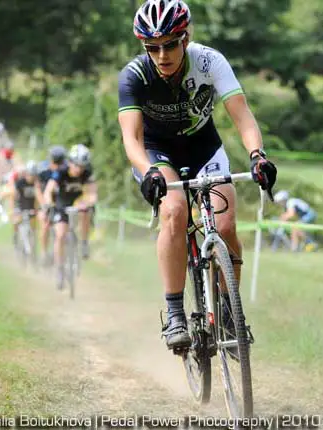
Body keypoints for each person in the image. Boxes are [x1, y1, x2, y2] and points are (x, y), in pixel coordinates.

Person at [117, 0, 277, 350]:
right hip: (157, 152)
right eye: (153, 48)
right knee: (173, 211)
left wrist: (257, 156)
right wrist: (148, 172)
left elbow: (241, 114)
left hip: (203, 147)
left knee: (225, 225)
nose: (162, 55)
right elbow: (131, 138)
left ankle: (227, 310)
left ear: (185, 39)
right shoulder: (134, 76)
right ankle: (175, 314)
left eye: (170, 44)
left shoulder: (210, 61)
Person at [42, 145, 98, 289]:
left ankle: (84, 242)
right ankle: (59, 269)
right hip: (62, 203)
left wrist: (88, 202)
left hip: (79, 202)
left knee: (86, 211)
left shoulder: (87, 172)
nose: (78, 169)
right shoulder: (60, 171)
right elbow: (48, 191)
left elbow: (92, 194)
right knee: (60, 235)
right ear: (70, 162)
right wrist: (49, 205)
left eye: (82, 166)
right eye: (76, 165)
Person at [9, 160, 40, 249]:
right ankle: (15, 235)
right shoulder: (20, 182)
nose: (31, 177)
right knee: (16, 221)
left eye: (33, 175)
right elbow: (14, 196)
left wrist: (38, 209)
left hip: (31, 208)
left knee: (33, 228)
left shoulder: (36, 184)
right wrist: (13, 209)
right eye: (30, 174)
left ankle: (32, 246)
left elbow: (38, 198)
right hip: (20, 206)